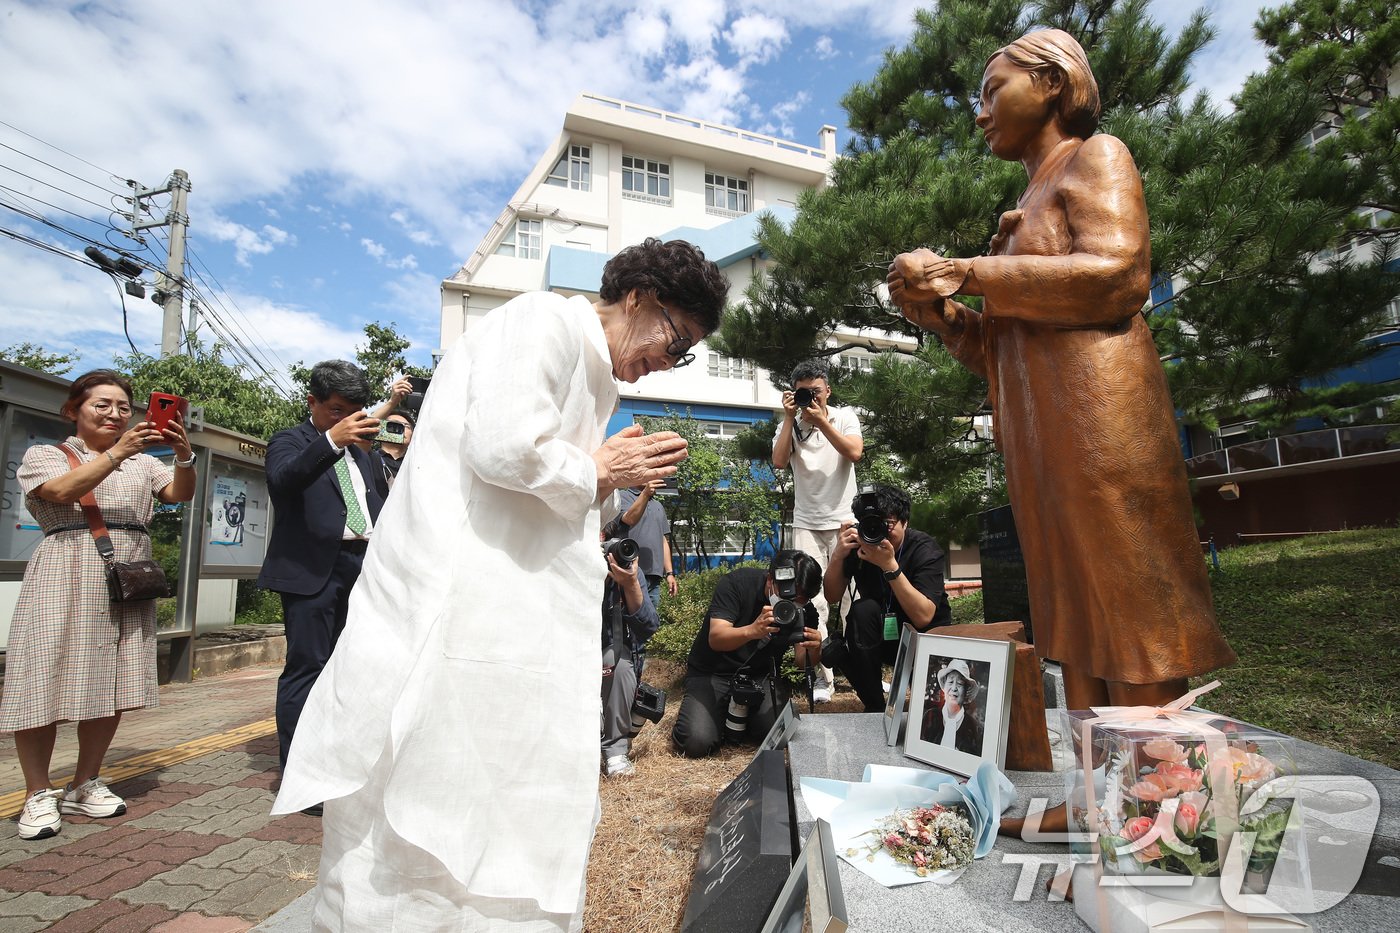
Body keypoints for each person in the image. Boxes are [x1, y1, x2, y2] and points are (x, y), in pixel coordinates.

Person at [272, 237, 729, 932]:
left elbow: (560, 497)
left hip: (511, 616)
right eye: (678, 339)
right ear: (638, 297)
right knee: (429, 797)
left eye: (685, 351)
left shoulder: (595, 375)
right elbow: (505, 448)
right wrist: (602, 467)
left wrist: (615, 476)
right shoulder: (543, 321)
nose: (669, 361)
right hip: (456, 609)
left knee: (501, 795)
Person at [886, 28, 1235, 714]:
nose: (981, 111)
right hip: (1040, 430)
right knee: (1067, 604)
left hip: (1102, 417)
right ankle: (1092, 782)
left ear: (1052, 82)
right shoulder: (1023, 206)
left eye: (994, 90)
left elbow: (1117, 276)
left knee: (1128, 595)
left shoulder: (1095, 157)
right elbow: (1000, 348)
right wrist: (941, 313)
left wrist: (966, 270)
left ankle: (1155, 788)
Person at [1, 369, 196, 840]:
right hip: (64, 572)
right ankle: (36, 792)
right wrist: (116, 453)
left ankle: (85, 782)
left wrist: (184, 456)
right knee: (41, 676)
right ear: (73, 410)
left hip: (125, 577)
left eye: (122, 406)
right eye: (101, 405)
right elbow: (60, 492)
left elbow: (177, 494)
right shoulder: (47, 454)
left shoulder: (143, 463)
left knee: (112, 678)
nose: (114, 413)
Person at [257, 360, 386, 776]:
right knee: (307, 668)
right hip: (312, 572)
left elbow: (373, 509)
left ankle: (340, 761)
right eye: (336, 410)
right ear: (311, 401)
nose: (348, 418)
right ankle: (300, 773)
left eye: (356, 409)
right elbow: (283, 480)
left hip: (361, 569)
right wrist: (330, 440)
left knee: (350, 670)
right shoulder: (290, 441)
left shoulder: (362, 455)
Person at [771, 359, 863, 704]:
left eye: (817, 392)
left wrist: (822, 421)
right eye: (804, 393)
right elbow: (779, 462)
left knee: (853, 601)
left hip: (844, 520)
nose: (811, 398)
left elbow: (854, 452)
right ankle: (824, 677)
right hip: (807, 522)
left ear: (828, 390)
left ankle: (859, 672)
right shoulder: (791, 424)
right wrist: (788, 419)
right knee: (812, 601)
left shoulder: (845, 417)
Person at [672, 551, 824, 759]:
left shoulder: (804, 610)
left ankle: (742, 716)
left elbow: (801, 662)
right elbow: (716, 638)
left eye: (801, 600)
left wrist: (815, 649)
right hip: (713, 672)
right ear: (771, 579)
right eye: (788, 596)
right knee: (696, 741)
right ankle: (713, 713)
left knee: (777, 733)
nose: (792, 605)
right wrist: (753, 630)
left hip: (759, 677)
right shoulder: (737, 584)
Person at [820, 483, 951, 713]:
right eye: (871, 522)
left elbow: (924, 617)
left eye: (887, 523)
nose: (879, 530)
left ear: (905, 521)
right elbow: (831, 596)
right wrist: (838, 555)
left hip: (926, 639)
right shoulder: (860, 546)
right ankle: (875, 708)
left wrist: (889, 566)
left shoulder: (924, 549)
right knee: (862, 610)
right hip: (881, 637)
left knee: (933, 711)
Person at [599, 548, 660, 778]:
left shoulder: (628, 571)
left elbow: (648, 627)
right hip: (564, 648)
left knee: (620, 664)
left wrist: (630, 583)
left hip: (608, 653)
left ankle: (615, 750)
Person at [604, 478, 675, 609]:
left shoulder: (658, 505)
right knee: (631, 619)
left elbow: (663, 540)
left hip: (654, 575)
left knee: (649, 622)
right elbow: (629, 519)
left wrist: (669, 573)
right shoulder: (621, 496)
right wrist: (646, 493)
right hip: (630, 572)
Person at [921, 659, 983, 755]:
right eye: (950, 682)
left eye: (959, 684)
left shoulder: (974, 729)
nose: (954, 688)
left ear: (966, 691)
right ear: (944, 687)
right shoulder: (930, 717)